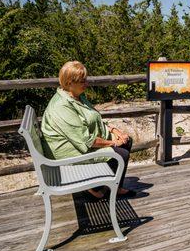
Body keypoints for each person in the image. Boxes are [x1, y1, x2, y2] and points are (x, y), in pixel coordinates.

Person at [40, 61, 136, 199]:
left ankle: (113, 187)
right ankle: (98, 189)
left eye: (85, 79)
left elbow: (95, 118)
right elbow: (86, 141)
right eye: (81, 81)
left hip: (80, 144)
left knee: (127, 141)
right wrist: (113, 143)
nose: (86, 83)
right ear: (69, 83)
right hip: (69, 153)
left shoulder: (78, 97)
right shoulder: (61, 106)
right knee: (121, 154)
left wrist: (115, 131)